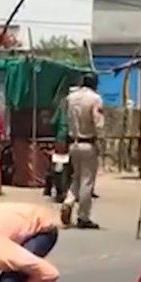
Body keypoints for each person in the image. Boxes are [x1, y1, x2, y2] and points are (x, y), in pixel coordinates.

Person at [61, 72, 103, 229]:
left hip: (73, 143)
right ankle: (83, 217)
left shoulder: (71, 98)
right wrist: (100, 143)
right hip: (88, 143)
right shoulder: (95, 99)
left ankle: (68, 201)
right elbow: (98, 123)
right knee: (87, 181)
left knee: (76, 178)